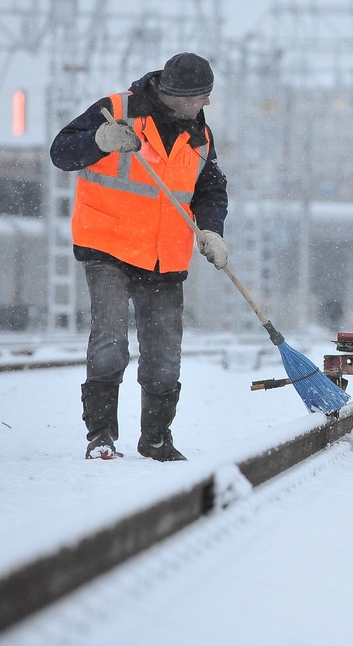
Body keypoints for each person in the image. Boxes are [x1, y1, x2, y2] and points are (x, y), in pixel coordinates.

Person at [51, 52, 229, 461]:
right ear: (174, 95)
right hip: (108, 247)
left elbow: (210, 189)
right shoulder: (115, 111)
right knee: (110, 344)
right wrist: (99, 141)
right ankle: (100, 436)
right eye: (201, 96)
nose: (206, 104)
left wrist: (212, 230)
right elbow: (61, 152)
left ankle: (155, 440)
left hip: (164, 257)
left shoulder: (200, 136)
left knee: (165, 359)